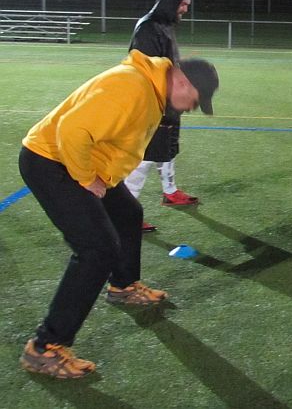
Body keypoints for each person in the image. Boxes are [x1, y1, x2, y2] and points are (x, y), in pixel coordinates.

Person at [18, 50, 219, 379]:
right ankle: (45, 347)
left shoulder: (152, 89)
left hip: (82, 162)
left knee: (128, 214)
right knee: (98, 249)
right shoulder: (133, 86)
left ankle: (123, 286)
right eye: (195, 101)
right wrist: (87, 179)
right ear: (183, 82)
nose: (191, 108)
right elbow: (71, 130)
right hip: (52, 162)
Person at [124, 0, 197, 233]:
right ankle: (124, 214)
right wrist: (162, 104)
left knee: (167, 149)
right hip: (151, 105)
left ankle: (170, 191)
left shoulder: (164, 25)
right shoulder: (148, 28)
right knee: (142, 160)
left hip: (167, 102)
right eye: (183, 4)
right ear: (171, 1)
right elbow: (144, 73)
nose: (185, 9)